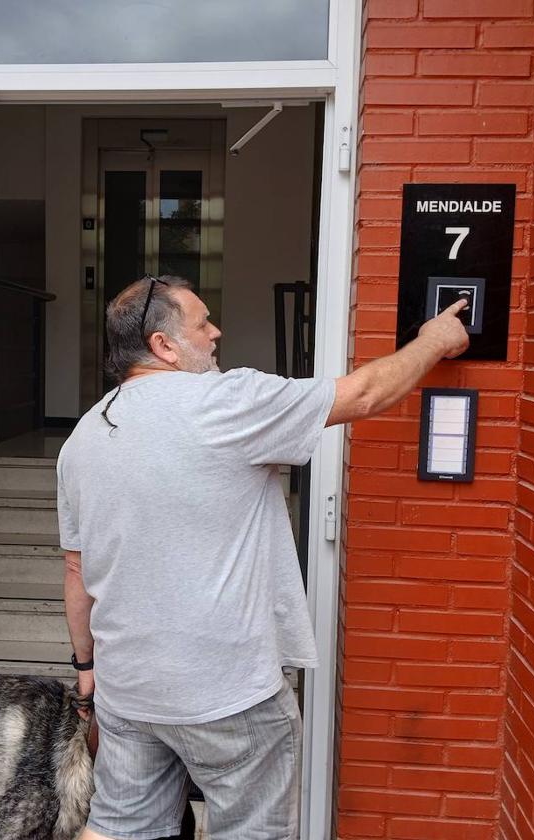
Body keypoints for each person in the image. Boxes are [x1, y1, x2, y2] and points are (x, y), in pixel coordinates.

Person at [58, 275, 469, 840]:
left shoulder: (82, 436)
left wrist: (87, 674)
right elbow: (365, 394)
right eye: (202, 324)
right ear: (164, 345)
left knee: (117, 831)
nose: (215, 332)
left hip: (129, 692)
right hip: (228, 693)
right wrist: (435, 339)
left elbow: (77, 570)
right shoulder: (226, 400)